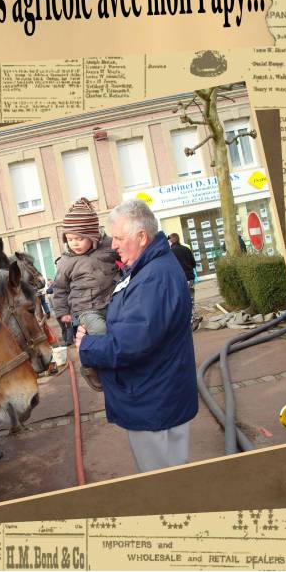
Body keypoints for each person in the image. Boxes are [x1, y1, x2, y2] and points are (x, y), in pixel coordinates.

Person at [76, 199, 198, 473]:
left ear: (142, 237)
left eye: (119, 238)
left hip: (153, 401)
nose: (114, 245)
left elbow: (129, 345)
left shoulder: (154, 277)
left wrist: (87, 345)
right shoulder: (150, 269)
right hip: (159, 395)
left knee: (160, 479)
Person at [51, 197, 119, 392]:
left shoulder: (108, 247)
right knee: (99, 330)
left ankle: (118, 365)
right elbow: (60, 288)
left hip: (112, 301)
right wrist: (62, 311)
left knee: (122, 329)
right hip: (86, 309)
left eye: (79, 238)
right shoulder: (66, 261)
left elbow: (125, 256)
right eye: (70, 239)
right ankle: (91, 366)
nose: (74, 244)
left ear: (93, 236)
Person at [168, 232, 197, 304]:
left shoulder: (170, 252)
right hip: (190, 278)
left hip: (179, 279)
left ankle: (187, 314)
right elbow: (194, 264)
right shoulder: (187, 249)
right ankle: (192, 313)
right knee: (191, 298)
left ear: (171, 240)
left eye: (169, 239)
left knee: (182, 300)